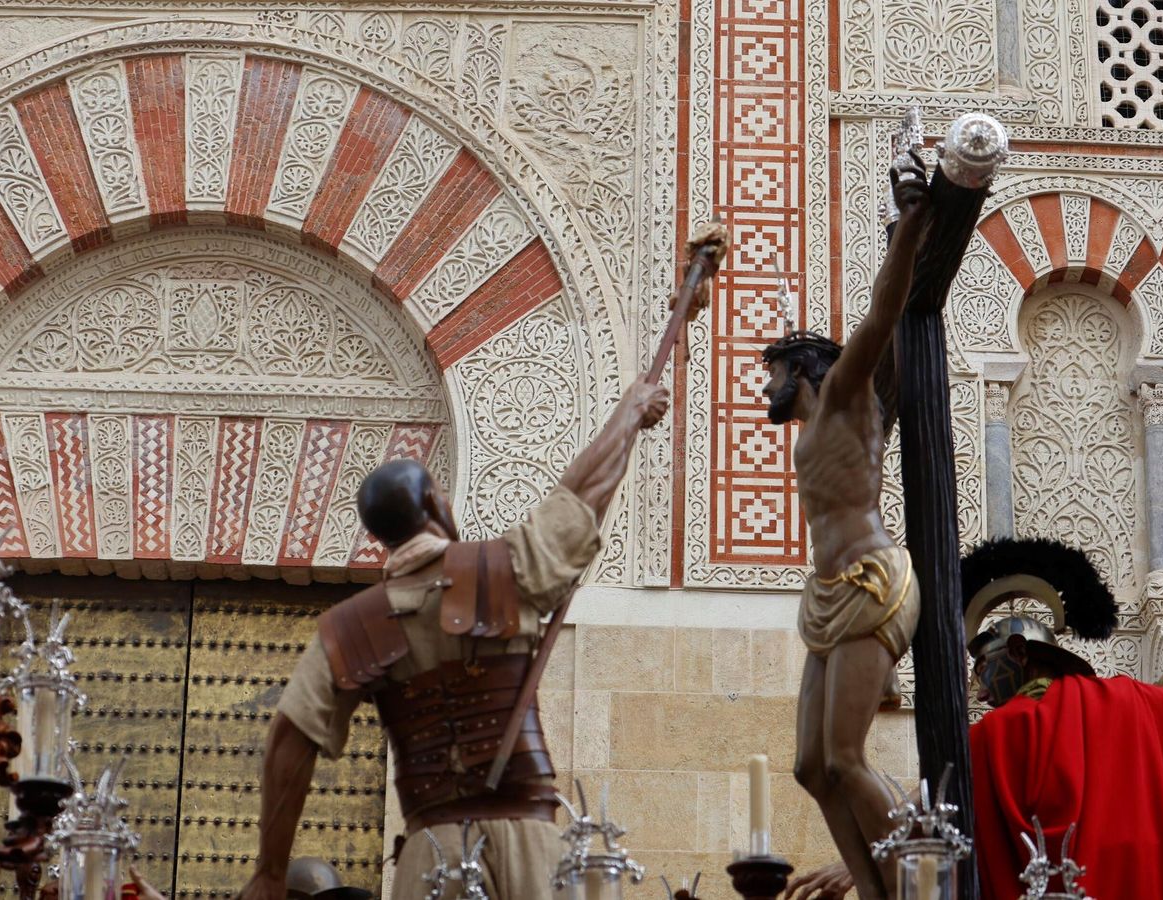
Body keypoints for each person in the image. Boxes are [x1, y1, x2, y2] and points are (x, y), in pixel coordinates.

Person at [230, 380, 670, 900]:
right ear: (439, 504)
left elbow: (290, 738)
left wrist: (271, 871)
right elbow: (581, 497)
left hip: (430, 855)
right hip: (530, 848)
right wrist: (629, 414)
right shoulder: (508, 568)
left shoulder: (348, 626)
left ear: (380, 535)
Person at [785, 537, 1163, 900]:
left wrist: (853, 863)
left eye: (982, 669)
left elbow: (927, 822)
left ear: (1018, 652)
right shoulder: (1130, 701)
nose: (979, 690)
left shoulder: (990, 737)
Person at [759, 150, 930, 900]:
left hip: (871, 579)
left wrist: (910, 229)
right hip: (828, 593)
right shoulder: (807, 431)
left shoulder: (848, 394)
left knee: (849, 757)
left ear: (805, 369)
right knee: (810, 765)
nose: (765, 384)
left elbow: (884, 313)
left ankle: (921, 872)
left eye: (773, 370)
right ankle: (871, 888)